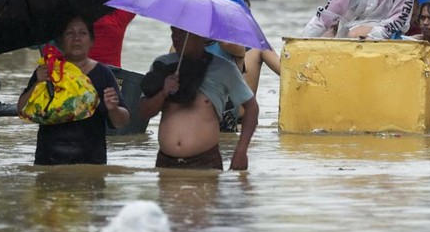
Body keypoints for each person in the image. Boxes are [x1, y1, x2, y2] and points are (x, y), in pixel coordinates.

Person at [139, 26, 258, 170]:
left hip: (205, 162)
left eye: (183, 33)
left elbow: (252, 107)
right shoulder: (163, 65)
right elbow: (144, 112)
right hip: (165, 162)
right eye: (173, 32)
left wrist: (241, 151)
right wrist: (164, 92)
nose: (176, 38)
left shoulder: (223, 69)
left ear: (200, 36)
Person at [17, 16, 130, 165]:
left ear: (92, 41)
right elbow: (21, 110)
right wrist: (37, 81)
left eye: (83, 33)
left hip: (91, 162)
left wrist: (113, 109)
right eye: (70, 33)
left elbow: (122, 123)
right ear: (61, 41)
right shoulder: (48, 70)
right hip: (49, 160)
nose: (76, 38)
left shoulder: (103, 73)